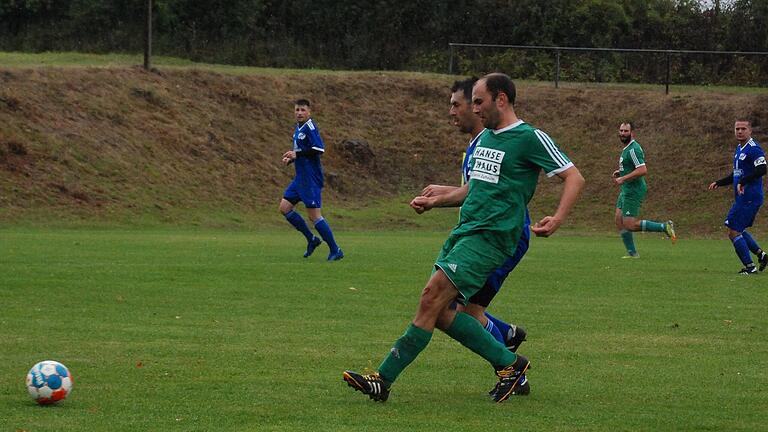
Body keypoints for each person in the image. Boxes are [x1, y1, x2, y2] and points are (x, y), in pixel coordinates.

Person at [343, 73, 585, 403]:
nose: (474, 108)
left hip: (492, 236)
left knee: (431, 298)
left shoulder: (529, 137)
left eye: (478, 101)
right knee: (441, 312)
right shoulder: (485, 138)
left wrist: (557, 218)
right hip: (464, 231)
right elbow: (473, 189)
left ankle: (382, 380)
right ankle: (510, 364)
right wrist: (435, 201)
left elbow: (574, 177)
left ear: (501, 99)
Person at [420, 77, 530, 394]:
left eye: (457, 104)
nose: (452, 112)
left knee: (460, 312)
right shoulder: (476, 145)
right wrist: (443, 193)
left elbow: (489, 196)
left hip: (501, 236)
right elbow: (474, 192)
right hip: (484, 234)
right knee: (457, 309)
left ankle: (513, 370)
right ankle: (505, 335)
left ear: (476, 104)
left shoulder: (494, 141)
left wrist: (440, 199)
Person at [279, 99, 343, 261]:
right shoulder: (298, 128)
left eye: (302, 110)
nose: (299, 113)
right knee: (284, 208)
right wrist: (292, 158)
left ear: (309, 112)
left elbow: (318, 148)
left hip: (310, 179)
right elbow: (301, 151)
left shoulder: (310, 127)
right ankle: (311, 239)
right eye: (297, 110)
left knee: (314, 217)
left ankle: (336, 249)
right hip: (300, 178)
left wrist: (297, 154)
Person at [708, 119, 768, 275]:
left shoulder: (754, 149)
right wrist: (719, 182)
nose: (740, 131)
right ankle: (761, 255)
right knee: (736, 229)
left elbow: (762, 169)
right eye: (737, 128)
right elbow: (736, 174)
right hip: (742, 198)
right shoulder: (740, 148)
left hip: (750, 197)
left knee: (733, 231)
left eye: (743, 128)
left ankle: (750, 267)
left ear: (750, 131)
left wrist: (743, 182)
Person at [612, 122, 677, 258]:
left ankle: (664, 226)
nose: (623, 133)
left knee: (629, 225)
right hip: (626, 189)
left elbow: (642, 170)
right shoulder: (626, 149)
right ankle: (632, 253)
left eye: (626, 131)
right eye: (621, 131)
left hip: (633, 190)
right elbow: (633, 167)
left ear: (632, 133)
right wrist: (621, 172)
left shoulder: (633, 149)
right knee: (619, 220)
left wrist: (624, 178)